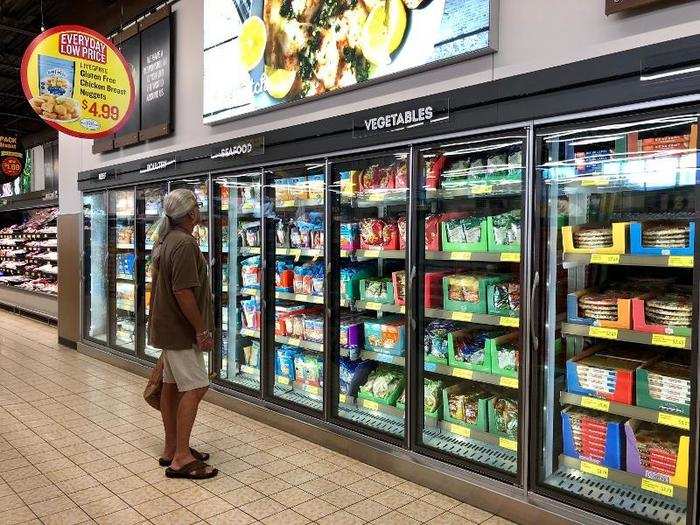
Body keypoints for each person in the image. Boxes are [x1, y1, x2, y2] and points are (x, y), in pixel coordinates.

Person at [148, 188, 218, 479]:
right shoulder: (185, 244)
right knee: (197, 386)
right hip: (180, 331)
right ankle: (181, 459)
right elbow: (183, 292)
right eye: (198, 206)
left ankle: (171, 447)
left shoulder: (166, 240)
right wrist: (201, 329)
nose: (200, 210)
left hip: (167, 327)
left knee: (172, 386)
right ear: (191, 213)